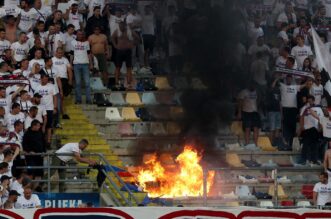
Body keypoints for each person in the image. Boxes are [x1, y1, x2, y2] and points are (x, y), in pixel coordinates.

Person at [112, 21, 139, 88]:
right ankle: (116, 82)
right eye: (120, 26)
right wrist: (115, 45)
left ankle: (129, 83)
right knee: (118, 67)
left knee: (129, 67)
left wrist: (133, 44)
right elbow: (112, 37)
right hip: (119, 51)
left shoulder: (129, 31)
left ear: (124, 26)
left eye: (122, 26)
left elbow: (137, 37)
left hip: (128, 51)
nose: (121, 27)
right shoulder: (117, 31)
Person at [34, 73, 57, 146]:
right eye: (44, 79)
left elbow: (55, 97)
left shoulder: (52, 86)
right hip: (40, 109)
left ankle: (48, 142)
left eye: (47, 79)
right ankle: (41, 141)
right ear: (41, 79)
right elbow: (35, 98)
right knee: (40, 125)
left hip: (49, 108)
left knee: (49, 126)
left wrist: (55, 107)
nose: (46, 80)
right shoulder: (37, 87)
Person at [299, 95, 324, 165]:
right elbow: (301, 117)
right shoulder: (304, 108)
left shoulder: (319, 109)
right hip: (307, 129)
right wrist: (301, 127)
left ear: (313, 101)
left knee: (315, 145)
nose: (310, 102)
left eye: (311, 101)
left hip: (315, 129)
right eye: (308, 101)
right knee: (305, 144)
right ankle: (303, 159)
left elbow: (321, 119)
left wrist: (320, 128)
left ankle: (314, 159)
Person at [71, 30, 93, 104]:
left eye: (82, 34)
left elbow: (89, 54)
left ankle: (88, 100)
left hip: (85, 64)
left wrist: (91, 64)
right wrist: (71, 64)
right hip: (76, 64)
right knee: (78, 83)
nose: (80, 35)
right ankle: (78, 100)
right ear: (76, 35)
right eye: (79, 34)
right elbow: (71, 54)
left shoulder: (87, 43)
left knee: (87, 83)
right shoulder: (73, 42)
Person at [22, 120, 45, 190]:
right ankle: (28, 188)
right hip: (30, 157)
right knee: (31, 173)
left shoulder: (40, 133)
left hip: (40, 156)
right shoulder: (27, 134)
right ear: (34, 126)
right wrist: (29, 151)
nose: (39, 127)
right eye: (38, 125)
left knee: (39, 173)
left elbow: (43, 143)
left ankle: (34, 189)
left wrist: (44, 151)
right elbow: (24, 144)